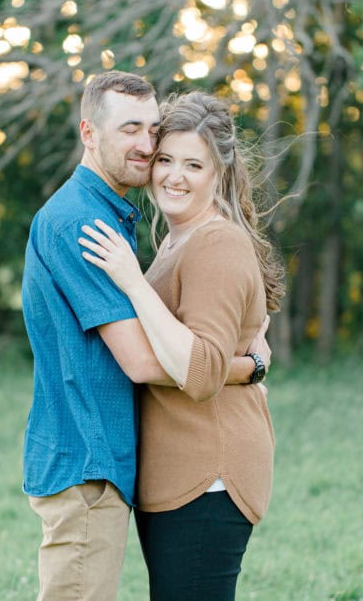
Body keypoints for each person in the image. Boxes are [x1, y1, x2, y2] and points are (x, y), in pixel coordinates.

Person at [21, 73, 270, 600]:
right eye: (129, 129)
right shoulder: (83, 223)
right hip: (89, 458)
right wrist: (246, 367)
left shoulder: (133, 224)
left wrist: (236, 360)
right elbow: (140, 360)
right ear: (89, 133)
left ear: (217, 173)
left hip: (170, 469)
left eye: (151, 131)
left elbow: (192, 341)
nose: (145, 146)